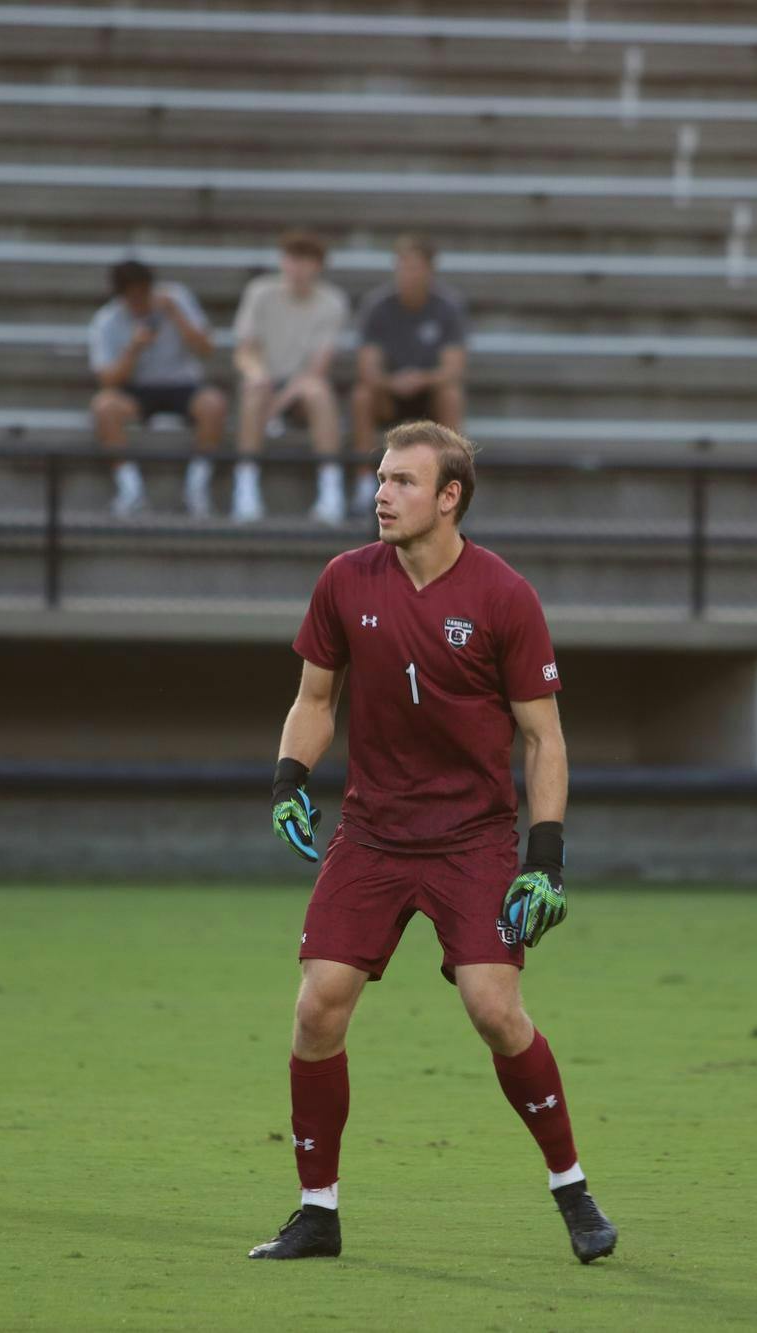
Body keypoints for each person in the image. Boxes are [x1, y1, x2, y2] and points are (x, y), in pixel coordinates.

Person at [249, 420, 618, 1265]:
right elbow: (315, 698)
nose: (382, 493)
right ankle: (317, 1212)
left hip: (472, 838)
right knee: (317, 1007)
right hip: (373, 833)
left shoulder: (503, 596)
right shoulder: (344, 580)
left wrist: (546, 859)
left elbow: (544, 740)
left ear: (450, 497)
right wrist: (287, 779)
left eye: (404, 481)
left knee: (494, 1009)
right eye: (381, 478)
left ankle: (573, 1190)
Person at [87, 259, 227, 518]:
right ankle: (131, 491)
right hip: (138, 390)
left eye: (144, 294)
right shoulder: (107, 320)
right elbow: (107, 381)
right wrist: (134, 348)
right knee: (104, 406)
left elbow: (207, 349)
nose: (141, 302)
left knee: (213, 404)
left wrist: (176, 315)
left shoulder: (177, 299)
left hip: (184, 386)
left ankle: (196, 489)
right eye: (133, 297)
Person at [230, 231, 349, 525]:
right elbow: (245, 351)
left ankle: (330, 490)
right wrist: (258, 376)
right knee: (253, 389)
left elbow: (317, 368)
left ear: (318, 266)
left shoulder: (332, 302)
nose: (297, 268)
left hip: (301, 388)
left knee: (318, 392)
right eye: (292, 260)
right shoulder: (259, 292)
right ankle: (245, 488)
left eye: (306, 261)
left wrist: (276, 405)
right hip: (266, 382)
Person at [349, 235, 469, 516]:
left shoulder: (447, 308)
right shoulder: (378, 306)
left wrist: (421, 379)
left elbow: (453, 368)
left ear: (430, 270)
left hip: (429, 395)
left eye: (415, 267)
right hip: (388, 395)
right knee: (362, 396)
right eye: (403, 266)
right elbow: (367, 367)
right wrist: (393, 382)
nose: (408, 274)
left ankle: (453, 481)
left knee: (451, 394)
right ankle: (364, 481)